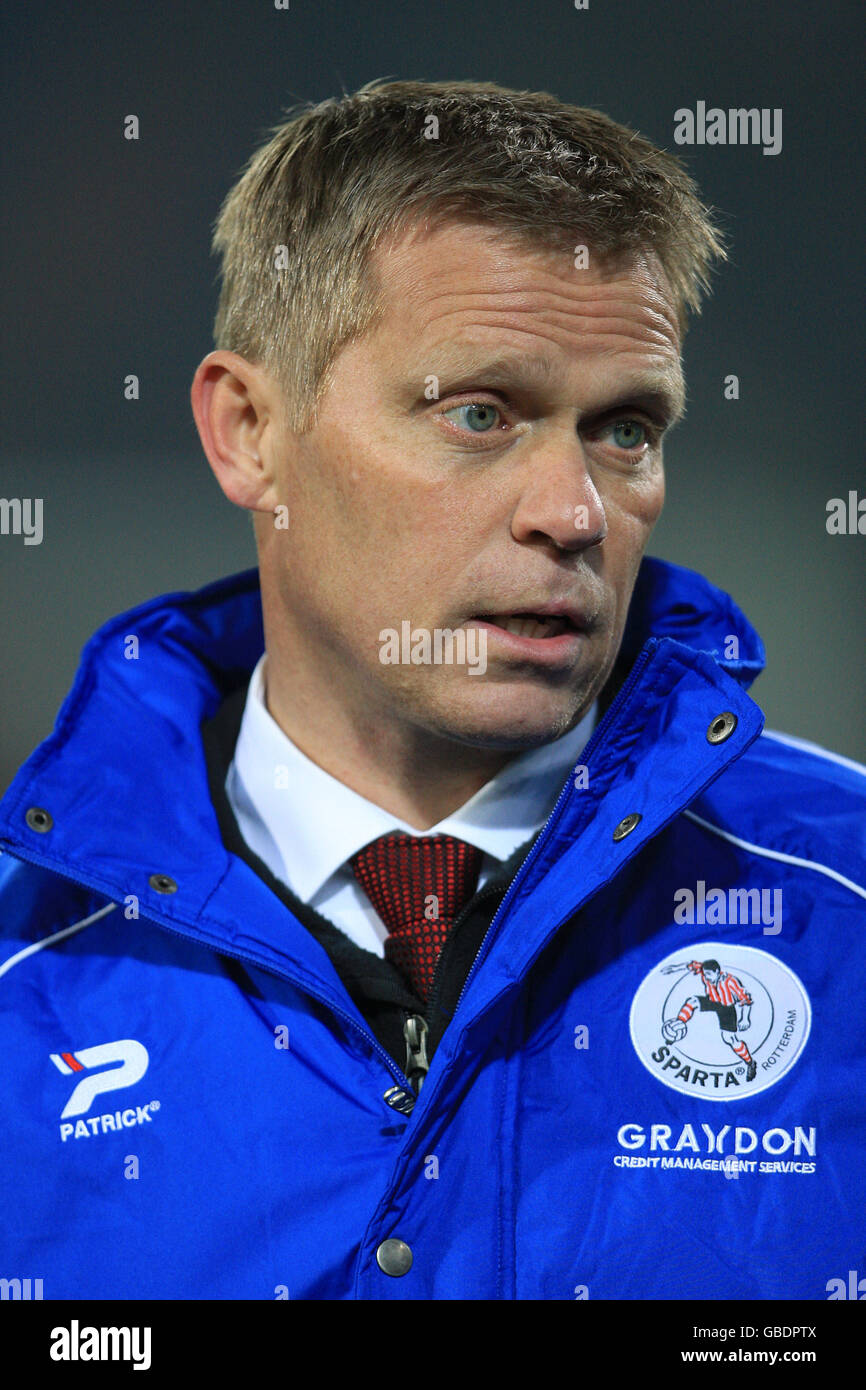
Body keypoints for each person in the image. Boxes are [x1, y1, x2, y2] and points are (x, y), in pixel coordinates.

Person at [0, 78, 863, 1302]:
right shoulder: (18, 976)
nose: (571, 513)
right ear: (250, 429)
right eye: (478, 412)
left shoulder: (846, 905)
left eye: (624, 430)